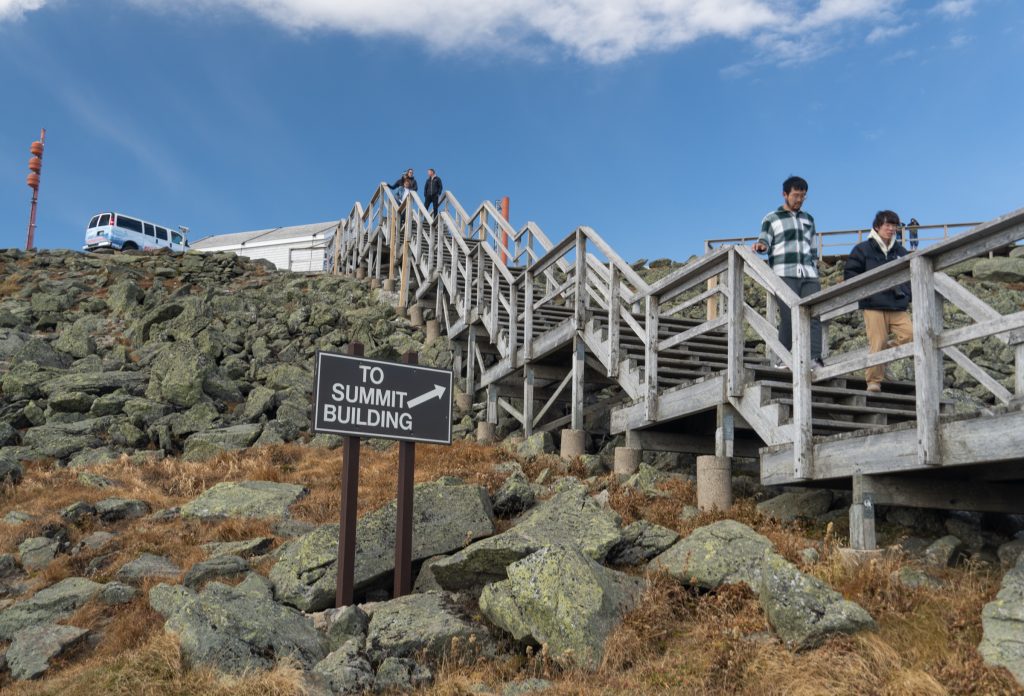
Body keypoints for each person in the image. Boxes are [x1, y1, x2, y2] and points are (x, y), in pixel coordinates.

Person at [753, 175, 823, 367]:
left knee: (814, 314)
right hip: (784, 272)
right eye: (795, 195)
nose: (799, 200)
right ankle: (783, 359)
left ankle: (814, 357)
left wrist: (815, 267)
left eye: (803, 196)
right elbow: (765, 240)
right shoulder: (772, 218)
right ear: (785, 194)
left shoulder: (809, 219)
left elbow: (813, 247)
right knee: (789, 317)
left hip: (809, 274)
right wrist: (761, 246)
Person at [843, 210, 913, 392]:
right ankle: (873, 381)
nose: (891, 229)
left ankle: (882, 358)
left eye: (894, 226)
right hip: (873, 305)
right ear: (877, 226)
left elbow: (911, 274)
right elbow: (850, 274)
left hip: (897, 303)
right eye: (887, 225)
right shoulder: (863, 249)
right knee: (878, 341)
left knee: (912, 335)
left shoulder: (900, 251)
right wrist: (864, 294)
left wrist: (907, 293)